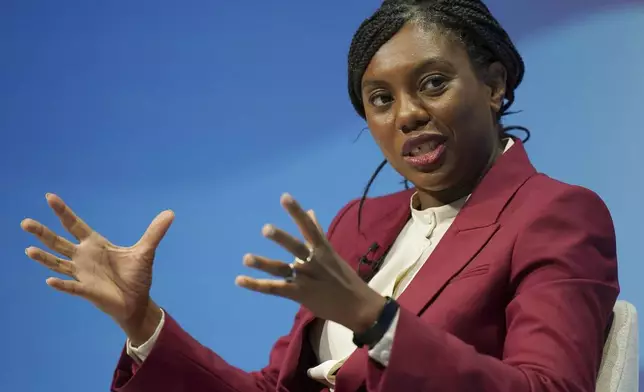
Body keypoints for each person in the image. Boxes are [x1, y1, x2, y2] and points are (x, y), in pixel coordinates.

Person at [21, 0, 619, 391]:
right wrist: (142, 320)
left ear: (494, 86)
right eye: (380, 99)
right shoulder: (358, 225)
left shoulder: (556, 213)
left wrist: (375, 320)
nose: (408, 114)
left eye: (433, 83)